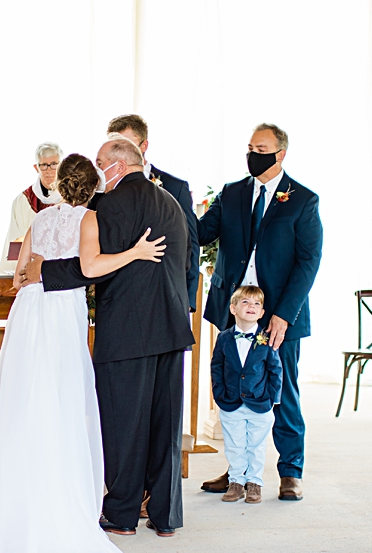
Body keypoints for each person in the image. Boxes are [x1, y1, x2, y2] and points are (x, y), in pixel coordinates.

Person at [0, 153, 165, 552]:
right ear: (93, 187)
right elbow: (89, 267)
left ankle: (10, 509)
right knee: (61, 397)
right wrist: (135, 253)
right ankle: (56, 501)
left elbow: (19, 275)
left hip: (28, 311)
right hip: (60, 310)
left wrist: (35, 268)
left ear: (59, 184)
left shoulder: (39, 218)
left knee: (24, 396)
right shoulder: (88, 218)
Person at [22, 137, 195, 537]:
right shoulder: (170, 202)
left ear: (118, 165)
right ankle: (167, 516)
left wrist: (44, 273)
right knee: (164, 425)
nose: (98, 171)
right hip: (170, 328)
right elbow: (184, 262)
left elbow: (94, 266)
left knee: (122, 425)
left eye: (101, 163)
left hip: (128, 332)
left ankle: (120, 515)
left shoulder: (113, 204)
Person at [198, 123, 322, 501]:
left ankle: (290, 472)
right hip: (235, 312)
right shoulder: (232, 193)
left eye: (262, 147)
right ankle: (239, 470)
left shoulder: (302, 199)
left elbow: (308, 261)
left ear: (281, 153)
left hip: (277, 314)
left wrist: (283, 314)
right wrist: (169, 202)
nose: (253, 153)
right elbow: (201, 233)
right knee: (234, 391)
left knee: (281, 392)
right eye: (250, 147)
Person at [107, 115, 200, 310]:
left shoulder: (175, 187)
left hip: (166, 293)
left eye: (125, 144)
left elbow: (190, 243)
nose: (119, 153)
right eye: (114, 146)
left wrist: (188, 299)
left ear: (144, 145)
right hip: (120, 294)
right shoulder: (105, 189)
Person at [210, 285, 282, 505]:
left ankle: (254, 483)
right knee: (234, 445)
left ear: (262, 313)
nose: (251, 306)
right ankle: (236, 482)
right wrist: (219, 394)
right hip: (230, 403)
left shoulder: (266, 338)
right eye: (245, 302)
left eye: (257, 304)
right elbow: (217, 367)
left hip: (260, 403)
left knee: (256, 446)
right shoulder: (223, 338)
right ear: (233, 308)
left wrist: (272, 399)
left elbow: (275, 370)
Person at [0, 142, 63, 272]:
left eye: (54, 164)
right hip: (31, 269)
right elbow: (16, 238)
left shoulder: (69, 199)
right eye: (44, 165)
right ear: (36, 167)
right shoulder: (23, 201)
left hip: (60, 269)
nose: (49, 170)